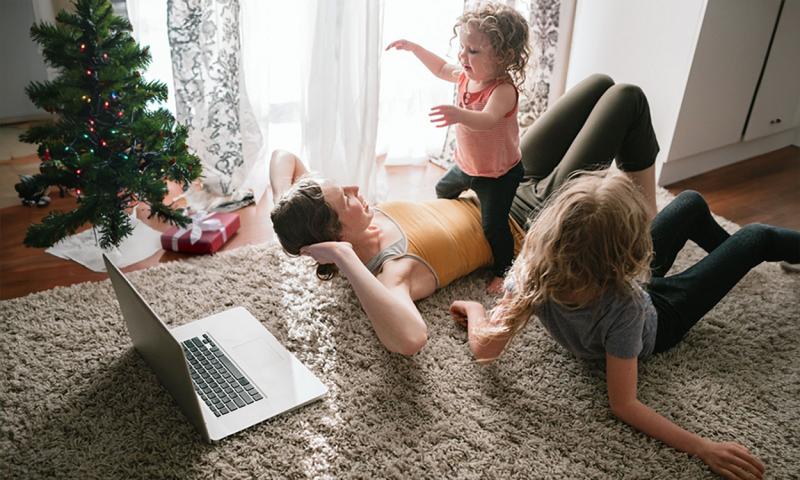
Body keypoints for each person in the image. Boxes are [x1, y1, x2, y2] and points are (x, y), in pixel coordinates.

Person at [269, 73, 659, 357]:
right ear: (337, 237)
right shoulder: (393, 270)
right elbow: (410, 339)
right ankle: (647, 212)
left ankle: (642, 207)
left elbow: (282, 157)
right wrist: (344, 258)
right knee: (626, 98)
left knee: (598, 84)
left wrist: (282, 202)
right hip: (529, 218)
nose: (356, 189)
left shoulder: (347, 218)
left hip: (497, 186)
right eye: (347, 200)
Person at [450, 171, 799, 479]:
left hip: (612, 287)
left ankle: (730, 261)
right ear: (629, 256)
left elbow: (484, 347)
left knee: (690, 203)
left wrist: (475, 309)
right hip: (663, 319)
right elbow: (624, 404)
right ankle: (737, 257)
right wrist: (703, 447)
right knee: (757, 238)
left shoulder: (532, 271)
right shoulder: (625, 306)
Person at [386, 4, 530, 293]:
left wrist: (459, 114)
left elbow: (487, 119)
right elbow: (441, 68)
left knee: (494, 226)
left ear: (505, 57)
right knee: (443, 190)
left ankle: (504, 269)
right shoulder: (466, 75)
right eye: (462, 48)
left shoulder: (502, 90)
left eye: (473, 51)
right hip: (468, 164)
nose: (463, 56)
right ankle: (461, 225)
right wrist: (416, 48)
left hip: (499, 174)